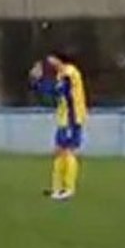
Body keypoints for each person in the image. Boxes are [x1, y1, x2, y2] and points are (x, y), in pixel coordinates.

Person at [30, 52, 88, 201]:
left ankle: (69, 189)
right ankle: (57, 188)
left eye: (52, 59)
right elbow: (54, 95)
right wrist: (37, 82)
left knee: (68, 151)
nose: (50, 62)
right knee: (59, 151)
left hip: (72, 118)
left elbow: (57, 91)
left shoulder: (69, 73)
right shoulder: (61, 74)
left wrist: (38, 80)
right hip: (64, 118)